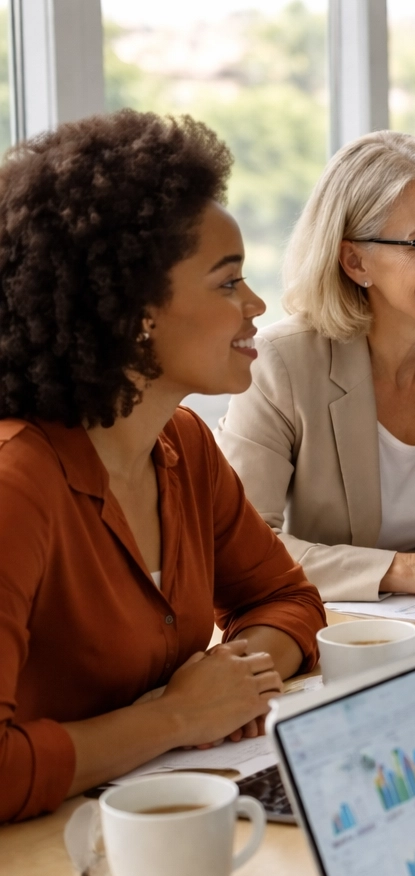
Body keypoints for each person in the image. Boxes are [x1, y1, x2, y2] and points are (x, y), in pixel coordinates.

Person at [0, 111, 327, 824]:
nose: (256, 305)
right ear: (133, 313)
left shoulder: (183, 444)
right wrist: (178, 719)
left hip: (150, 823)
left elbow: (289, 603)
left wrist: (230, 681)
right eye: (227, 283)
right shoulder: (14, 482)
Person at [217, 131, 415, 603]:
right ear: (354, 261)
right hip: (336, 637)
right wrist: (405, 570)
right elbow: (239, 550)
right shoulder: (280, 363)